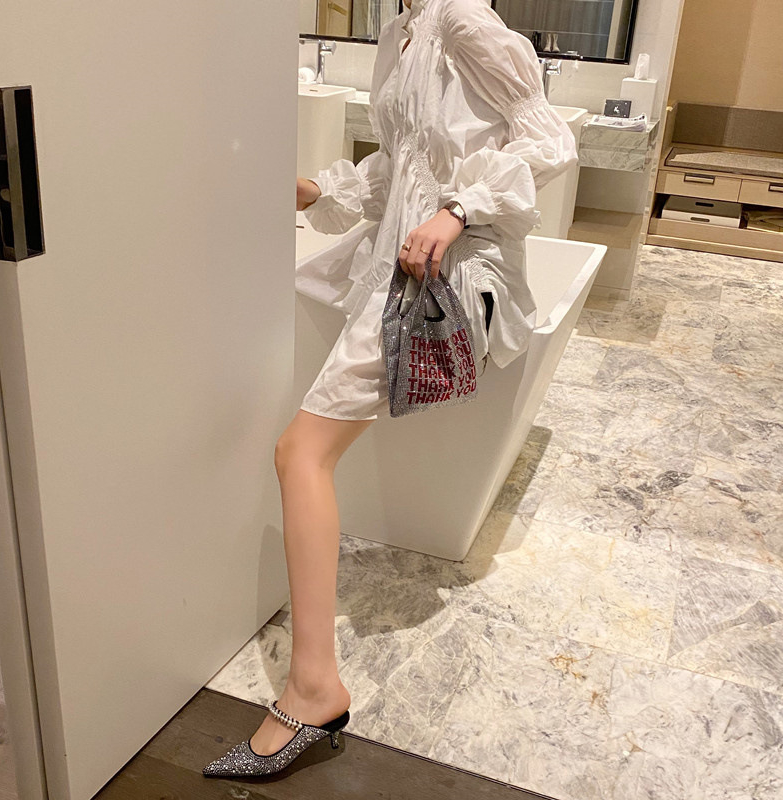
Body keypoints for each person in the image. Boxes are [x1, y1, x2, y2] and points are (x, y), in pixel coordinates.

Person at [203, 0, 576, 779]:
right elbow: (404, 165)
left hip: (450, 269)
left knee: (300, 452)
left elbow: (549, 139)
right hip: (401, 255)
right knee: (298, 408)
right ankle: (313, 678)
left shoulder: (463, 20)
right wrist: (317, 191)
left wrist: (458, 211)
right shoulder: (405, 29)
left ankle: (314, 686)